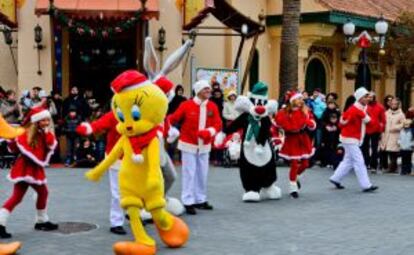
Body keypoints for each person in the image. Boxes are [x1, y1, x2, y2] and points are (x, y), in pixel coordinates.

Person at [0, 106, 58, 238]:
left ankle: (41, 220)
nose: (46, 123)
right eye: (43, 120)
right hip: (25, 168)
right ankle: (1, 223)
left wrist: (48, 133)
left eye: (47, 120)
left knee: (42, 192)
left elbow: (49, 145)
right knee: (17, 197)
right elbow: (14, 147)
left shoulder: (41, 132)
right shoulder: (26, 133)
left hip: (34, 169)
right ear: (36, 121)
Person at [168, 80, 222, 215]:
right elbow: (173, 118)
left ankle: (200, 200)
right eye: (205, 89)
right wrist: (165, 125)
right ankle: (188, 201)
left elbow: (218, 123)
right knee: (189, 173)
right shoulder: (186, 105)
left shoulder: (213, 106)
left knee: (202, 173)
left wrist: (209, 132)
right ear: (198, 91)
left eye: (209, 89)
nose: (208, 91)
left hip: (204, 145)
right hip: (188, 144)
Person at [329, 87, 378, 192]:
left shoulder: (356, 108)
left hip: (349, 138)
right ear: (360, 98)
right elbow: (370, 121)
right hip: (351, 139)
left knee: (348, 160)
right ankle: (366, 185)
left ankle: (335, 178)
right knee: (359, 161)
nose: (368, 98)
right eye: (366, 96)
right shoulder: (356, 110)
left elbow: (342, 121)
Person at [275, 91, 316, 198]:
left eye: (302, 99)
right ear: (292, 100)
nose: (301, 101)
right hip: (291, 139)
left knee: (306, 163)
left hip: (303, 138)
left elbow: (311, 122)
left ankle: (296, 176)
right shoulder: (284, 112)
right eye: (299, 99)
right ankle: (293, 188)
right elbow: (278, 123)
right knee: (294, 163)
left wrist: (310, 124)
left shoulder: (305, 111)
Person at [361, 92, 386, 173]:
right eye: (368, 97)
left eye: (371, 97)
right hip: (365, 129)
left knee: (374, 148)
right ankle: (366, 163)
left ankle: (373, 165)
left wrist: (381, 129)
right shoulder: (364, 106)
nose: (369, 98)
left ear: (374, 98)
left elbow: (383, 120)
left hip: (375, 129)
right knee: (365, 147)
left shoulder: (380, 107)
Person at [380, 98, 405, 173]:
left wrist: (395, 128)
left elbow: (403, 124)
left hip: (395, 135)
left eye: (395, 104)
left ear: (398, 105)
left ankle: (392, 168)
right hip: (386, 134)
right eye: (392, 104)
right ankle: (386, 166)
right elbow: (383, 121)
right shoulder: (387, 113)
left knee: (393, 152)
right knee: (384, 151)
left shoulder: (401, 114)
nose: (393, 105)